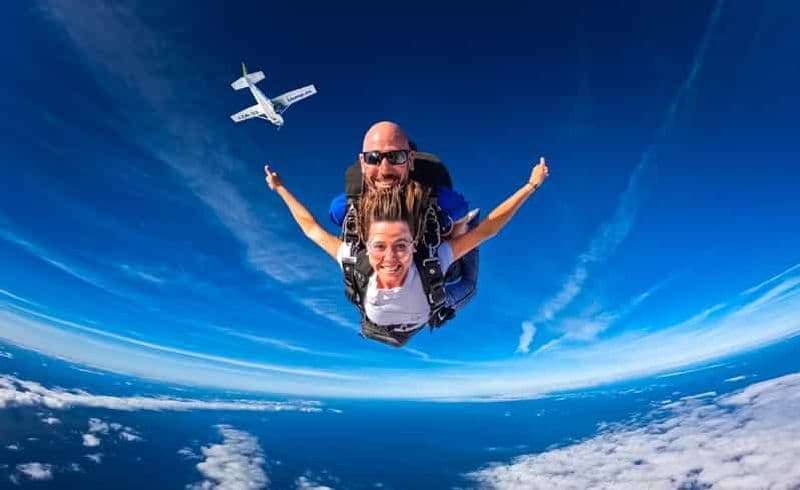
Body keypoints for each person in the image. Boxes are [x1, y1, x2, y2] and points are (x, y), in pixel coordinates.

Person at [264, 157, 550, 346]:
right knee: (468, 285)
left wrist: (531, 185)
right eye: (379, 246)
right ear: (366, 245)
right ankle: (461, 223)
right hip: (428, 308)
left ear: (415, 245)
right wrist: (279, 189)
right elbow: (310, 228)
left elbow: (311, 228)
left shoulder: (415, 259)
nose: (390, 258)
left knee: (460, 249)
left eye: (401, 246)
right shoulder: (364, 260)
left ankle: (453, 227)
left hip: (413, 304)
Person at [328, 121, 478, 317]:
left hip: (421, 265)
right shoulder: (346, 207)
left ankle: (439, 306)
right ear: (363, 163)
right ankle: (440, 307)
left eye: (396, 157)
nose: (384, 170)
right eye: (374, 158)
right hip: (398, 272)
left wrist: (445, 236)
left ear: (410, 161)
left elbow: (333, 222)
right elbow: (462, 213)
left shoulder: (435, 198)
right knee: (469, 282)